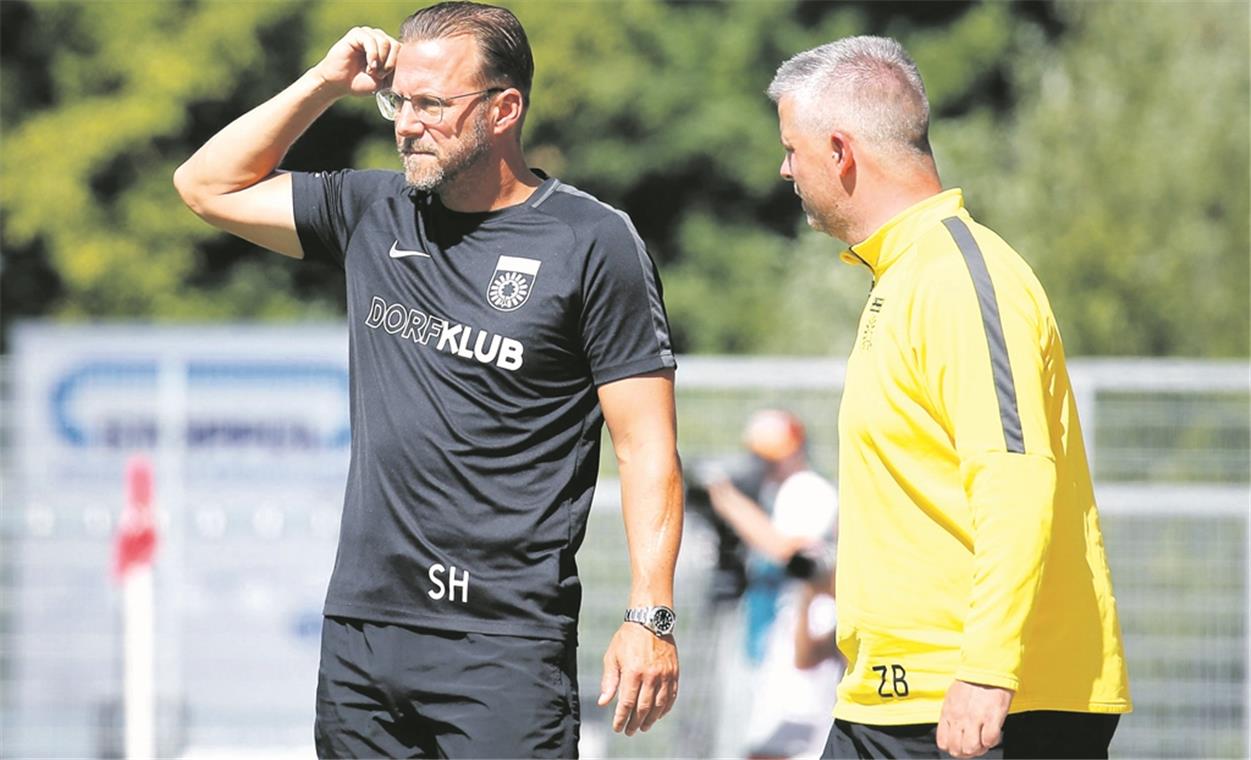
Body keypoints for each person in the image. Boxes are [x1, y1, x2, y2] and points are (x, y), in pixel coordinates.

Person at [173, 3, 682, 756]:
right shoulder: (374, 211)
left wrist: (651, 616)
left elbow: (647, 450)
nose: (406, 123)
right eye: (397, 101)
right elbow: (205, 186)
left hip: (501, 640)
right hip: (363, 631)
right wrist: (321, 82)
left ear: (504, 108)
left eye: (432, 104)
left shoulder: (592, 241)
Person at [764, 36, 1132, 759]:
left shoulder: (958, 278)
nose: (784, 169)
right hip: (893, 699)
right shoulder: (901, 277)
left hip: (980, 707)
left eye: (791, 148)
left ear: (840, 151)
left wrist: (987, 669)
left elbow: (1016, 478)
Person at [708, 410, 841, 759]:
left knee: (779, 747)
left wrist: (727, 501)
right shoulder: (775, 494)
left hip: (804, 635)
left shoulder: (806, 489)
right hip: (778, 638)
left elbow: (794, 554)